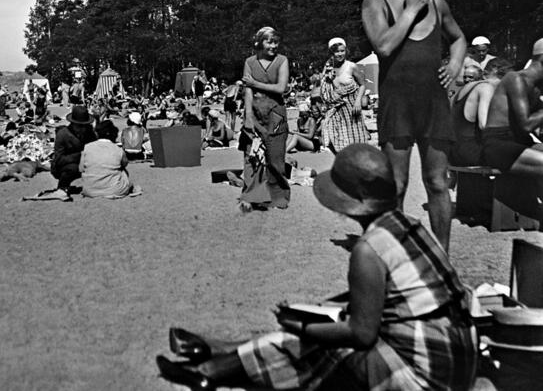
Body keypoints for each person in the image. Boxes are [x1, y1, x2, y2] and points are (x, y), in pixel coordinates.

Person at [155, 143, 477, 391]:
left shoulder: (368, 249)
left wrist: (302, 327)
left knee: (317, 341)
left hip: (428, 376)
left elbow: (361, 334)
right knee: (327, 316)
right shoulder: (409, 224)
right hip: (457, 354)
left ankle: (209, 371)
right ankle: (223, 353)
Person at [361, 0, 466, 251]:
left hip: (433, 103)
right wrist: (410, 11)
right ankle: (397, 255)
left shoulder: (437, 2)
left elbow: (458, 38)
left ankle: (442, 257)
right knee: (397, 185)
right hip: (398, 104)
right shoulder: (375, 2)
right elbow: (383, 46)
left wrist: (456, 65)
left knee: (437, 182)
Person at [242, 27, 291, 210]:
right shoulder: (250, 62)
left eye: (276, 42)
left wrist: (255, 83)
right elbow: (247, 90)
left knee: (275, 157)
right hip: (255, 112)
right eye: (269, 42)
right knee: (251, 156)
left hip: (276, 114)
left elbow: (280, 88)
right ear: (260, 42)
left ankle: (279, 195)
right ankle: (252, 195)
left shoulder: (281, 61)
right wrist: (247, 116)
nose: (273, 46)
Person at [481, 38, 543, 177]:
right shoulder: (515, 79)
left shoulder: (536, 87)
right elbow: (526, 124)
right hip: (498, 145)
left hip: (520, 142)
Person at [450, 57, 511, 167]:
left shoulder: (465, 88)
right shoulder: (486, 88)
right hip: (471, 152)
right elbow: (485, 125)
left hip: (454, 151)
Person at [26, 105, 96, 201]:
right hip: (64, 166)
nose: (83, 128)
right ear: (73, 123)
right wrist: (81, 155)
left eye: (85, 125)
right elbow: (59, 159)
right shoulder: (63, 134)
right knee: (72, 168)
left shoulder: (90, 133)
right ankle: (62, 187)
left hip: (85, 163)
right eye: (80, 126)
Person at [319, 37, 370, 154]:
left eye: (342, 50)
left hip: (351, 108)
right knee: (331, 137)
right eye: (337, 51)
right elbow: (323, 88)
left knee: (355, 139)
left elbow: (362, 85)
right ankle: (343, 163)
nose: (340, 54)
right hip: (336, 108)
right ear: (331, 52)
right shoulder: (328, 67)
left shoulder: (351, 66)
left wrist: (358, 101)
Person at [79, 120, 138, 198]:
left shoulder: (87, 147)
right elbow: (125, 163)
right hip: (114, 190)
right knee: (122, 170)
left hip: (89, 190)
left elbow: (81, 168)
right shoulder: (117, 149)